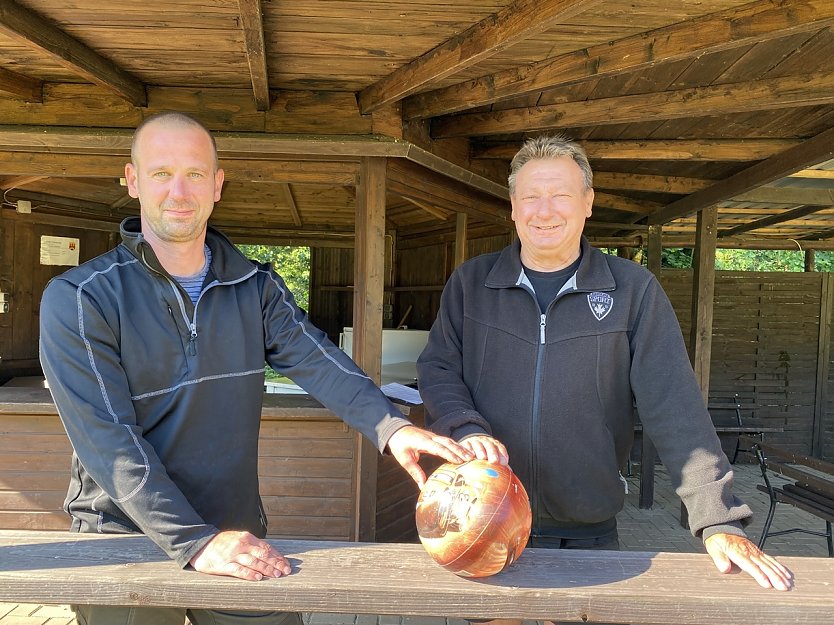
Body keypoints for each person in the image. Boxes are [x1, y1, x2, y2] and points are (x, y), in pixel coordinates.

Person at [38, 111, 472, 625]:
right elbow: (107, 441)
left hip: (234, 528)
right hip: (122, 534)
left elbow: (318, 359)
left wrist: (391, 427)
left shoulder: (255, 286)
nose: (179, 191)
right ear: (133, 181)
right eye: (160, 173)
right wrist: (194, 540)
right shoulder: (80, 297)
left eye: (195, 174)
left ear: (217, 185)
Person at [416, 134, 794, 593]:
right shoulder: (471, 283)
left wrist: (718, 520)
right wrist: (466, 427)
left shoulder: (632, 290)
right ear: (514, 207)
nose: (545, 209)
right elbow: (438, 368)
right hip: (483, 516)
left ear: (587, 202)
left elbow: (673, 404)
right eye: (531, 196)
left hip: (586, 525)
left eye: (560, 194)